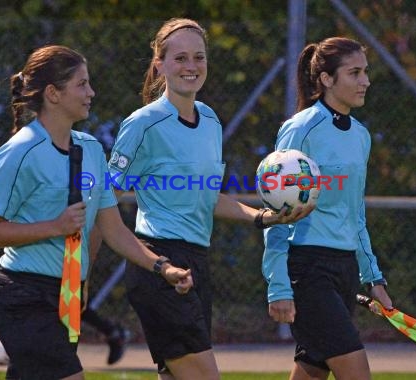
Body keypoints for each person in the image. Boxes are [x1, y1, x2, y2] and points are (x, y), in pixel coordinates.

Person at [107, 18, 311, 380]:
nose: (191, 67)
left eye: (198, 58)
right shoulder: (143, 123)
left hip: (197, 262)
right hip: (160, 264)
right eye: (180, 58)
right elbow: (104, 197)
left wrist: (264, 217)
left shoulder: (211, 120)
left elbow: (208, 198)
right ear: (160, 65)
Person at [0, 44, 193, 380]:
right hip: (21, 297)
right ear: (53, 94)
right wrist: (54, 226)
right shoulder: (19, 151)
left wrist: (162, 267)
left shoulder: (90, 149)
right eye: (81, 84)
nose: (91, 92)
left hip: (69, 297)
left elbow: (114, 230)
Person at [261, 37, 394, 380]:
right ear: (326, 79)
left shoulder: (361, 136)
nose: (365, 81)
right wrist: (278, 285)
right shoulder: (301, 128)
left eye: (365, 72)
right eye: (354, 73)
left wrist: (372, 276)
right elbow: (276, 211)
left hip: (344, 269)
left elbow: (355, 215)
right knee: (356, 372)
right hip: (308, 271)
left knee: (311, 372)